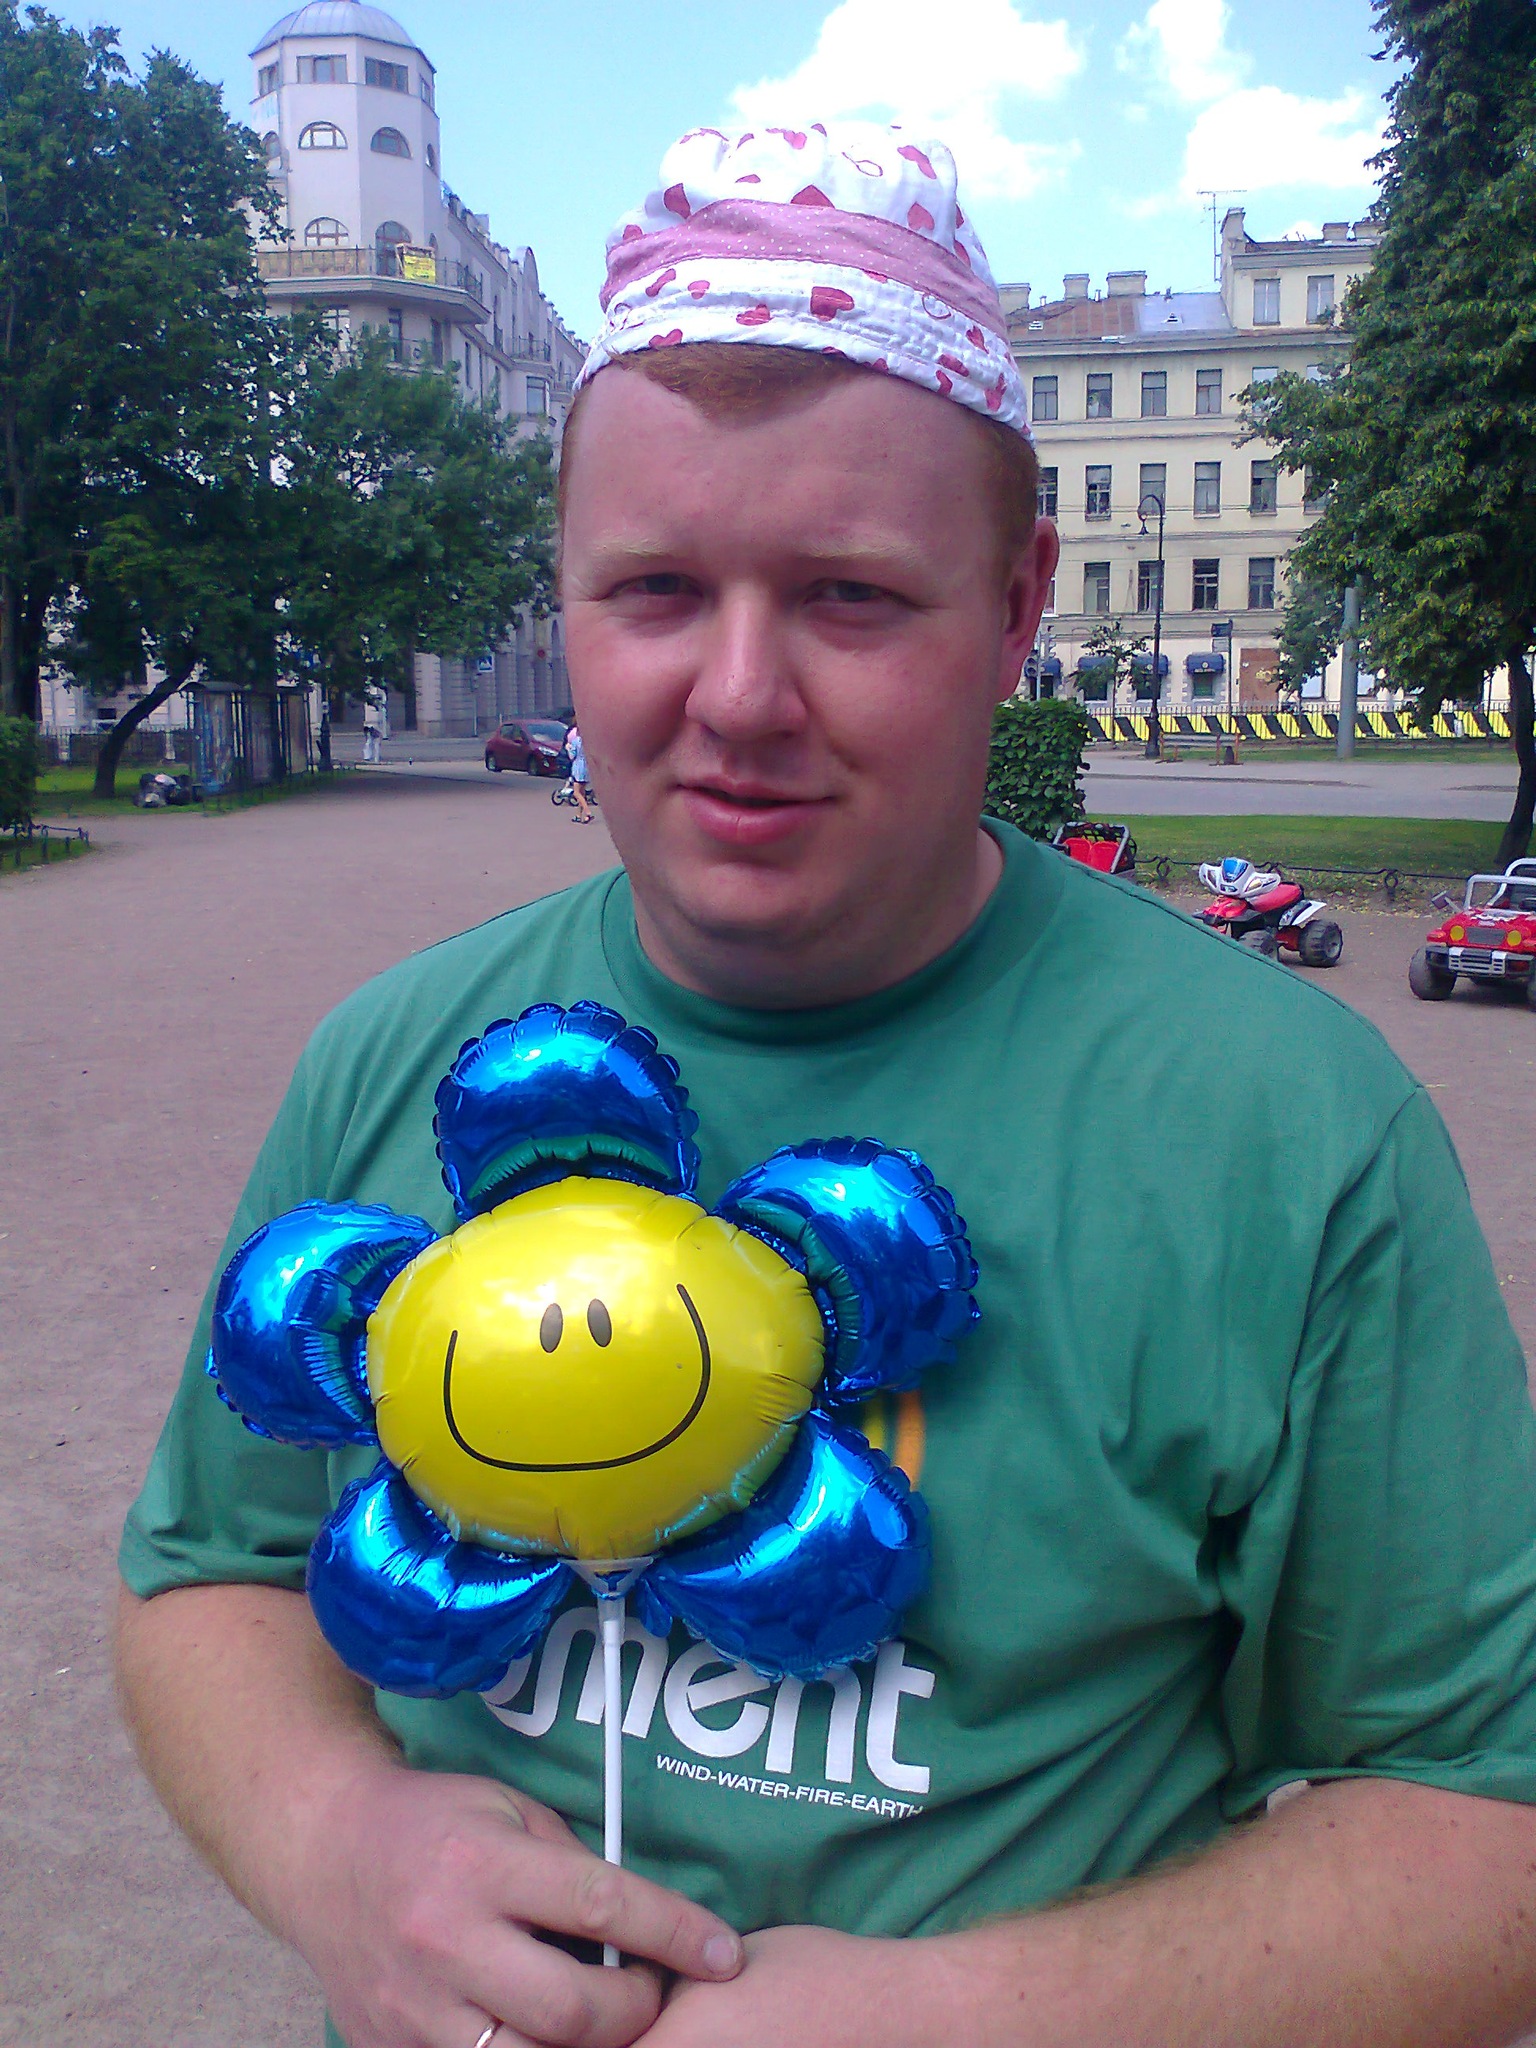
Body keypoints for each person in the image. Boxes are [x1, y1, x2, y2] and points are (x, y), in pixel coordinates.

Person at [116, 123, 1536, 2048]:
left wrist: (963, 2018)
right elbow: (209, 1576)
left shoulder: (1285, 1132)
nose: (738, 695)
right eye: (652, 589)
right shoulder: (392, 1055)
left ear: (1017, 605)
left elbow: (1483, 1827)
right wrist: (336, 1838)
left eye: (850, 596)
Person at [565, 718, 594, 823]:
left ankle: (588, 812)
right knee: (582, 793)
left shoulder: (576, 741)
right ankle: (579, 815)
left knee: (576, 793)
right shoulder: (589, 743)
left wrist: (568, 748)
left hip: (578, 768)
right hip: (586, 767)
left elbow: (572, 756)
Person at [361, 687, 386, 767]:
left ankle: (371, 757)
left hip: (372, 726)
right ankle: (373, 757)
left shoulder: (378, 708)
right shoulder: (373, 707)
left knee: (372, 742)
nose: (377, 701)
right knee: (373, 742)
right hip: (372, 726)